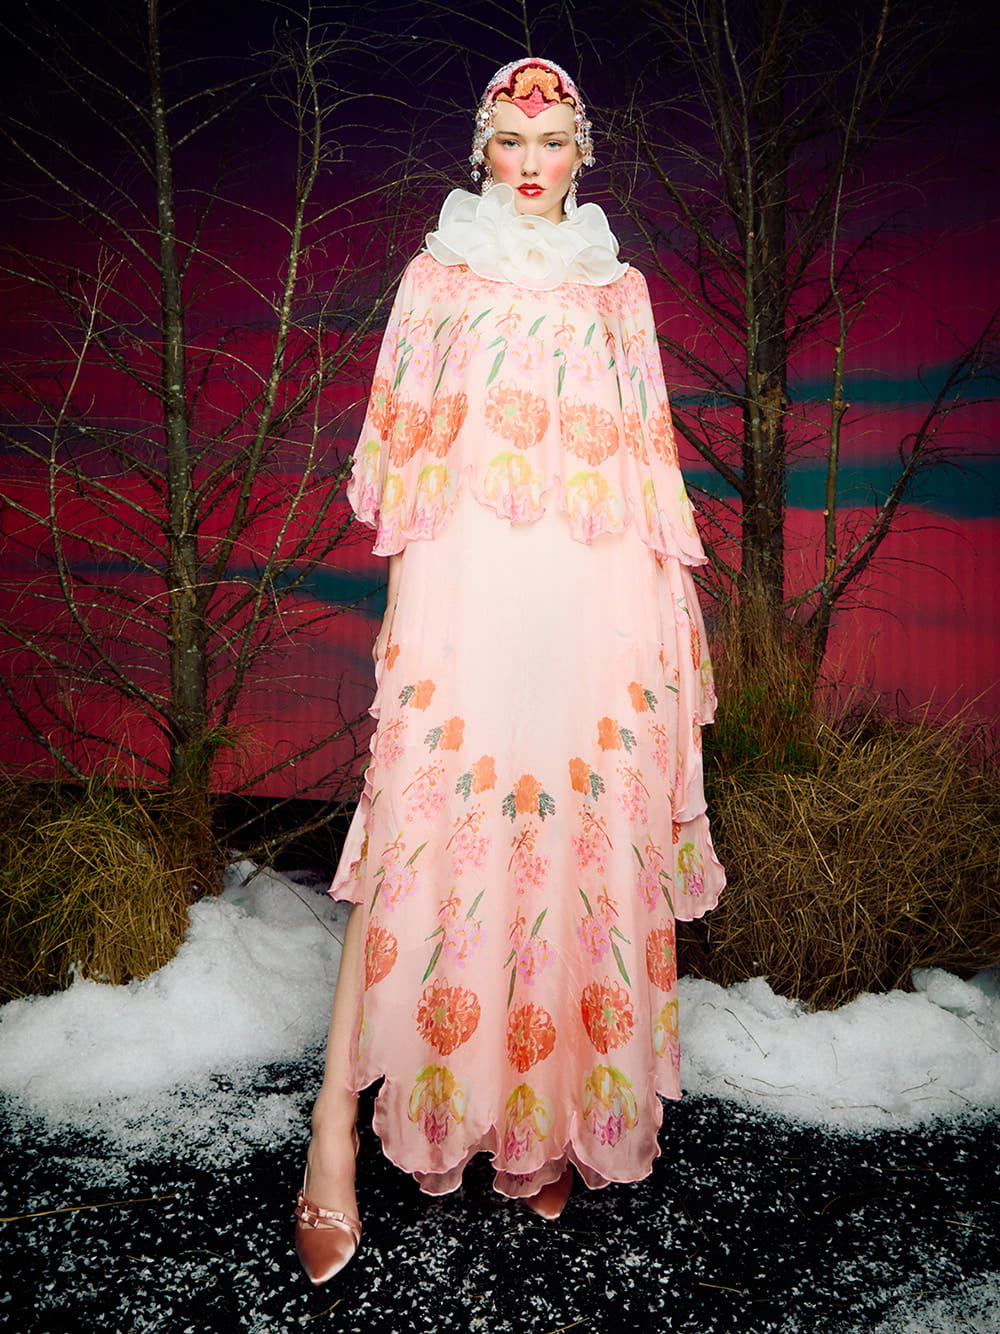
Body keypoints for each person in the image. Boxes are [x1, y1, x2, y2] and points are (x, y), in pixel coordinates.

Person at [294, 56, 725, 1286]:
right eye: (509, 139)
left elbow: (647, 465)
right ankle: (332, 1130)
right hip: (468, 582)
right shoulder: (435, 278)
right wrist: (409, 601)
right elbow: (395, 454)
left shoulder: (619, 293)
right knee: (419, 818)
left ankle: (537, 1121)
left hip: (593, 594)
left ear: (582, 154)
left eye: (551, 141)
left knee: (573, 818)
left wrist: (667, 624)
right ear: (480, 150)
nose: (530, 162)